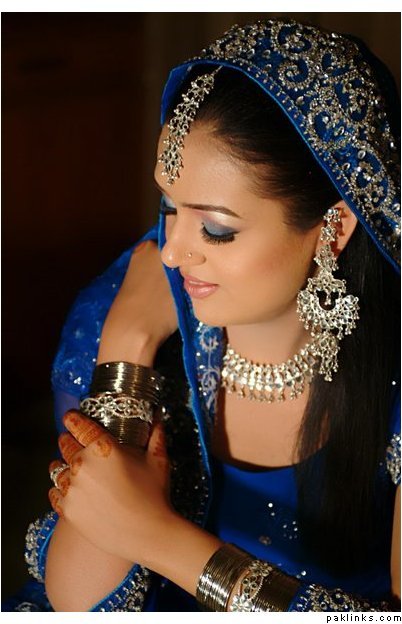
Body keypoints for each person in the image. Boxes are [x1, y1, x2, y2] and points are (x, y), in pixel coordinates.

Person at [6, 18, 400, 612]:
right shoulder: (124, 306)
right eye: (169, 207)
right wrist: (127, 348)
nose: (171, 252)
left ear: (332, 228)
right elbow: (80, 603)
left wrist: (157, 538)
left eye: (215, 229)